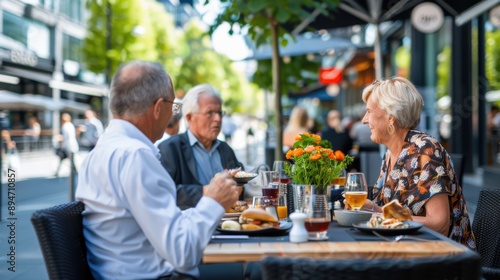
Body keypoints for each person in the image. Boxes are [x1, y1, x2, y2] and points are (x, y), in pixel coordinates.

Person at [75, 61, 239, 279]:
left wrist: (206, 206)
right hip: (159, 276)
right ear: (158, 107)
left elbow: (156, 223)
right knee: (257, 269)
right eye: (174, 106)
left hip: (121, 272)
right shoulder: (135, 156)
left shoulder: (101, 151)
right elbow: (183, 253)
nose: (174, 114)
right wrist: (214, 201)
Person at [351, 77, 475, 250]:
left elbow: (440, 224)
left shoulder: (425, 150)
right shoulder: (390, 154)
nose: (364, 119)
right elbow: (388, 213)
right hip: (402, 247)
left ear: (391, 117)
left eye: (369, 111)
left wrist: (387, 218)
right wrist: (372, 207)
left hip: (442, 257)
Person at [158, 84, 242, 210]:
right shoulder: (170, 149)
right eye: (210, 113)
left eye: (219, 112)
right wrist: (206, 191)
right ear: (189, 117)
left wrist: (239, 185)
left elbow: (241, 183)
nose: (218, 119)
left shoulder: (225, 149)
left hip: (230, 225)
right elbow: (162, 192)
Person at [54, 113, 79, 177]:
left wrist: (60, 141)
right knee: (71, 161)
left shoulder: (65, 126)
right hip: (72, 145)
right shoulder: (71, 125)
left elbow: (65, 138)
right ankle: (75, 172)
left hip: (68, 146)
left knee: (67, 160)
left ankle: (75, 173)